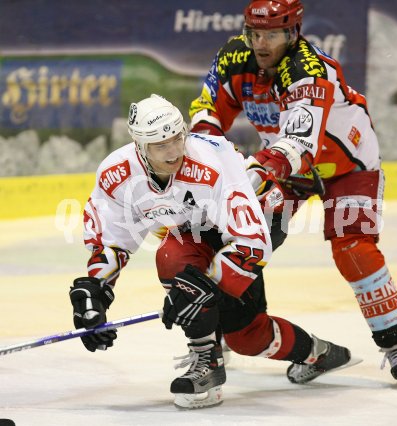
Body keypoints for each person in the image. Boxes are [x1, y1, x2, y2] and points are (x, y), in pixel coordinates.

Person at [68, 93, 354, 409]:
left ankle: (318, 352)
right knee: (173, 257)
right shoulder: (117, 174)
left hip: (261, 217)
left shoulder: (209, 165)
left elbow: (252, 242)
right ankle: (208, 362)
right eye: (161, 145)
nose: (174, 151)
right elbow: (112, 239)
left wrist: (205, 290)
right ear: (140, 147)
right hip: (195, 228)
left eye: (177, 139)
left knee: (247, 337)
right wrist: (96, 293)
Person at [189, 0, 397, 388]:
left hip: (347, 164)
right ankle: (218, 333)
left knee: (352, 247)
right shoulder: (233, 58)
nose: (262, 43)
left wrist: (251, 173)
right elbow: (206, 115)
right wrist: (207, 168)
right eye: (255, 33)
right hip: (286, 168)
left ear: (293, 33)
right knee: (234, 236)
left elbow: (298, 144)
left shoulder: (308, 70)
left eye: (273, 34)